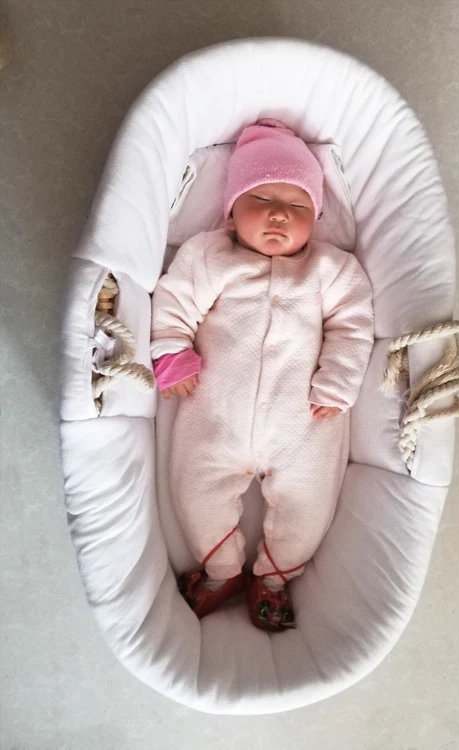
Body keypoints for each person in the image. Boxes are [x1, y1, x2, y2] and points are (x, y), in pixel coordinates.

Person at [151, 119, 374, 631]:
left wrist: (338, 382)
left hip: (303, 422)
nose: (279, 214)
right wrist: (172, 351)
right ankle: (222, 569)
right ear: (231, 213)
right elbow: (174, 302)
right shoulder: (209, 256)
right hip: (215, 415)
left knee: (310, 500)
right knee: (195, 487)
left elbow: (354, 326)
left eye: (298, 205)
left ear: (316, 218)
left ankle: (274, 577)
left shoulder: (333, 271)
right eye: (261, 199)